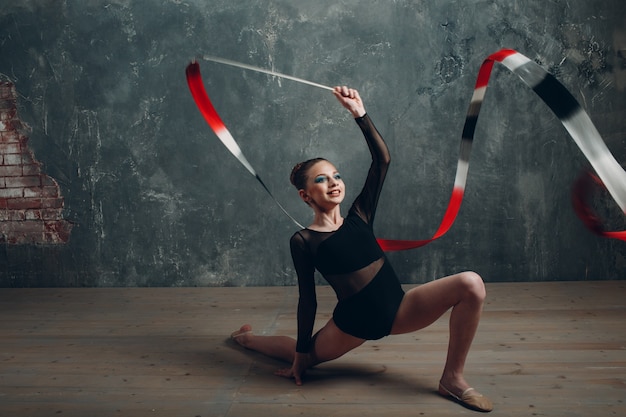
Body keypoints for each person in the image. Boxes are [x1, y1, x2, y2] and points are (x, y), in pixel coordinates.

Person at [231, 86, 493, 412]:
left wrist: (359, 113)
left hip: (399, 310)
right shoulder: (304, 241)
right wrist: (300, 356)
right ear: (305, 195)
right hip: (352, 325)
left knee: (471, 283)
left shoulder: (360, 215)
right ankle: (246, 339)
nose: (334, 182)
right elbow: (308, 300)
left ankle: (452, 379)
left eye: (336, 175)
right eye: (322, 180)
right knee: (308, 355)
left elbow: (382, 160)